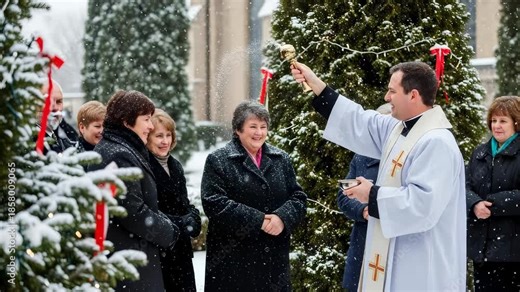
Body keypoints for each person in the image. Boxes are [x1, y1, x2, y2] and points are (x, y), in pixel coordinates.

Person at [291, 61, 466, 291]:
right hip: (392, 261)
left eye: (392, 91)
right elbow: (360, 120)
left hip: (421, 267)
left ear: (413, 95)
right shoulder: (399, 129)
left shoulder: (436, 142)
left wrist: (371, 195)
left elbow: (423, 206)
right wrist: (317, 85)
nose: (386, 97)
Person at [201, 100, 307, 291]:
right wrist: (258, 220)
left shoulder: (280, 159)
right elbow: (214, 203)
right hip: (233, 261)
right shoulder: (219, 160)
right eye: (252, 126)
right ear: (238, 130)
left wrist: (282, 218)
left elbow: (298, 197)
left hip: (273, 262)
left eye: (263, 127)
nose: (259, 132)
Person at [89, 90, 180, 291]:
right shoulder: (118, 155)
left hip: (133, 257)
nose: (150, 125)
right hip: (128, 260)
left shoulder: (122, 148)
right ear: (126, 120)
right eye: (146, 119)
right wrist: (169, 231)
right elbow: (132, 211)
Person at [466, 96, 520, 291]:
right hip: (482, 251)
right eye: (494, 120)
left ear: (516, 122)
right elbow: (464, 186)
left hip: (513, 253)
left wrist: (491, 205)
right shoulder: (480, 153)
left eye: (503, 121)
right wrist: (474, 204)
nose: (496, 126)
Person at [146, 109, 201, 292]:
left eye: (168, 135)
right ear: (147, 137)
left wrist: (194, 217)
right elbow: (149, 209)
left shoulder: (175, 165)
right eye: (159, 136)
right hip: (160, 251)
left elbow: (183, 203)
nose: (165, 141)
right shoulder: (144, 165)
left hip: (182, 252)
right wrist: (180, 223)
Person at [337, 103, 391, 291]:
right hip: (364, 240)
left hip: (393, 240)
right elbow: (343, 196)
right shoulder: (362, 158)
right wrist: (364, 210)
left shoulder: (406, 159)